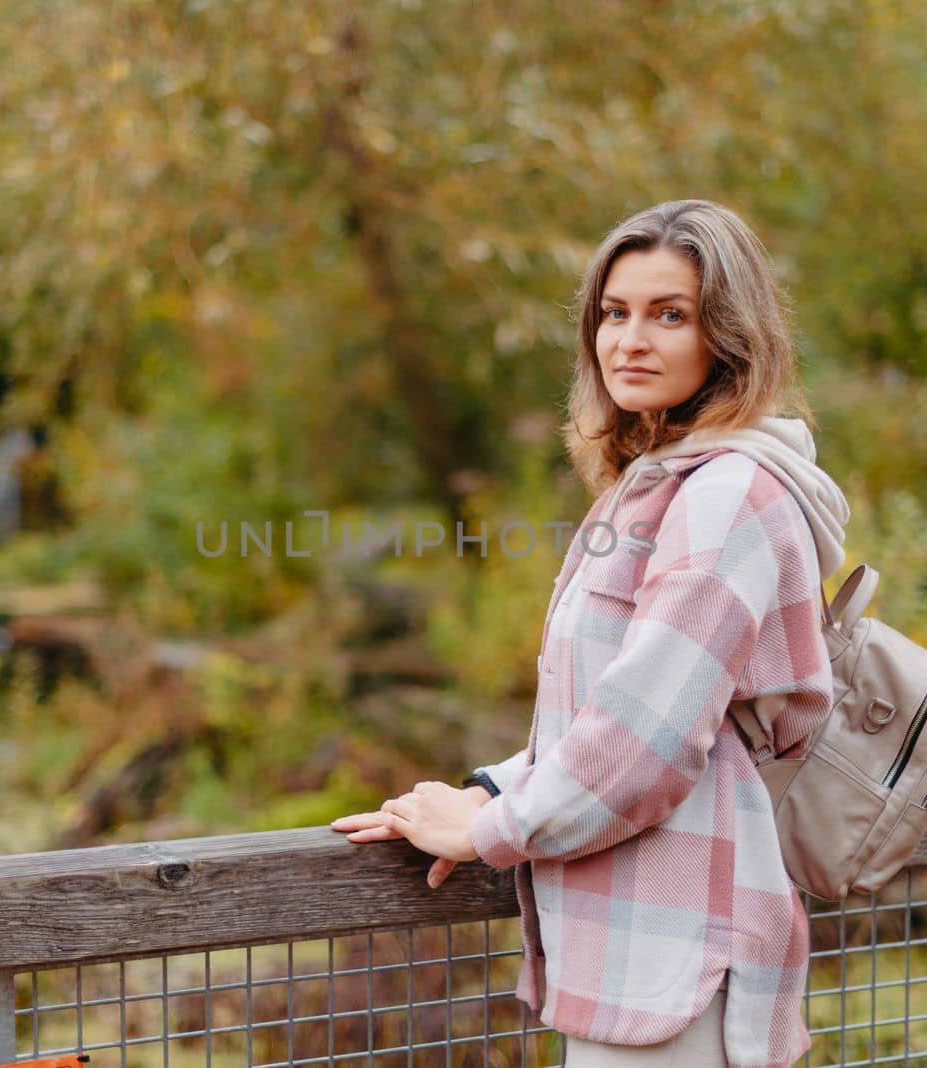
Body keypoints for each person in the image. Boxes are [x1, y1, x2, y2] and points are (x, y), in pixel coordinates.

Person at [331, 199, 850, 1068]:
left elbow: (647, 741)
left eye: (669, 315)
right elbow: (609, 708)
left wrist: (486, 834)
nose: (629, 341)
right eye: (615, 313)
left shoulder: (724, 498)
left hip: (682, 958)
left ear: (729, 337)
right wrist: (492, 792)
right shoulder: (654, 485)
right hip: (630, 953)